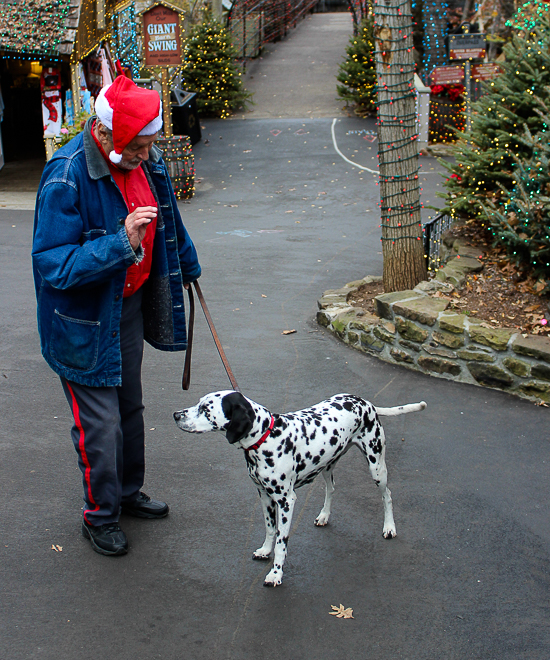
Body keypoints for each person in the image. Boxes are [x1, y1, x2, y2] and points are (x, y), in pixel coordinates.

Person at [32, 75, 201, 556]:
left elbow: (167, 215)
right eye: (138, 147)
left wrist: (187, 264)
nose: (146, 156)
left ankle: (126, 494)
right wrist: (120, 244)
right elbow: (52, 264)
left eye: (149, 145)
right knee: (100, 424)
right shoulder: (65, 175)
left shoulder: (144, 158)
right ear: (105, 134)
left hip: (125, 308)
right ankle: (100, 515)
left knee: (130, 408)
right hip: (81, 322)